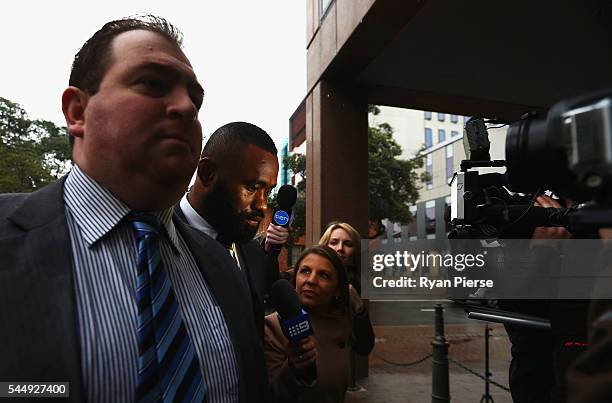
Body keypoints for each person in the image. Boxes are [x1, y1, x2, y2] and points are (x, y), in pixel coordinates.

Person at [0, 16, 266, 402]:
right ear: (77, 111)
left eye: (196, 98)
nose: (186, 107)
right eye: (152, 84)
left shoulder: (224, 267)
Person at [177, 121, 289, 310]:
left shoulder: (254, 254)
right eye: (252, 188)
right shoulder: (153, 239)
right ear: (207, 173)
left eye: (268, 192)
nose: (262, 205)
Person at [264, 245, 374, 403]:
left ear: (338, 291)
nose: (311, 280)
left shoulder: (343, 323)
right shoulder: (273, 326)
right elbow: (271, 394)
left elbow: (364, 346)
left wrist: (359, 309)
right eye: (305, 271)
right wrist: (295, 370)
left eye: (324, 275)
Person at [319, 221, 362, 294]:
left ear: (355, 251)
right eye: (333, 243)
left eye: (348, 244)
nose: (340, 248)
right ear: (324, 246)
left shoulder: (357, 284)